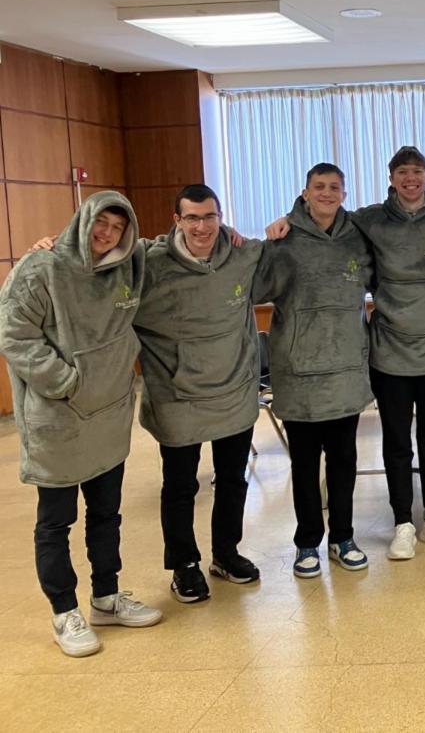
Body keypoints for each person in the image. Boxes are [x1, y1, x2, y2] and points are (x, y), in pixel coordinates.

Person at [268, 146, 425, 560]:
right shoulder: (369, 219)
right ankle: (403, 524)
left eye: (417, 171)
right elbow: (324, 217)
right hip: (389, 351)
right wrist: (287, 218)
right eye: (402, 172)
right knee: (396, 442)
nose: (411, 179)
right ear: (390, 178)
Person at [0, 192, 161, 658]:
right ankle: (64, 611)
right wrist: (66, 382)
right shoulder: (41, 268)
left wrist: (230, 232)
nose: (106, 234)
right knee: (56, 522)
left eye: (117, 226)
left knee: (106, 514)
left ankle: (106, 598)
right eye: (100, 223)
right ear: (82, 221)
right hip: (59, 418)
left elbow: (183, 241)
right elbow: (14, 334)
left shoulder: (129, 265)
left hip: (108, 416)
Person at [135, 184, 263, 603]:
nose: (202, 227)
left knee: (232, 480)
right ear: (177, 221)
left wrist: (284, 221)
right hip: (178, 397)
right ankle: (184, 565)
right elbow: (101, 259)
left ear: (221, 218)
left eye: (209, 216)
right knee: (180, 486)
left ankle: (226, 553)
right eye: (192, 218)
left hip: (233, 390)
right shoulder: (151, 264)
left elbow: (282, 249)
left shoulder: (240, 255)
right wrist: (53, 246)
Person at [255, 163, 375, 577]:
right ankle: (307, 542)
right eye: (319, 187)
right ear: (305, 193)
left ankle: (343, 537)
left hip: (344, 370)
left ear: (344, 194)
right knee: (305, 466)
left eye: (334, 187)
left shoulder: (357, 236)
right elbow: (256, 288)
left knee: (343, 461)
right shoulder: (283, 239)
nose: (327, 193)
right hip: (299, 373)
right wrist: (265, 235)